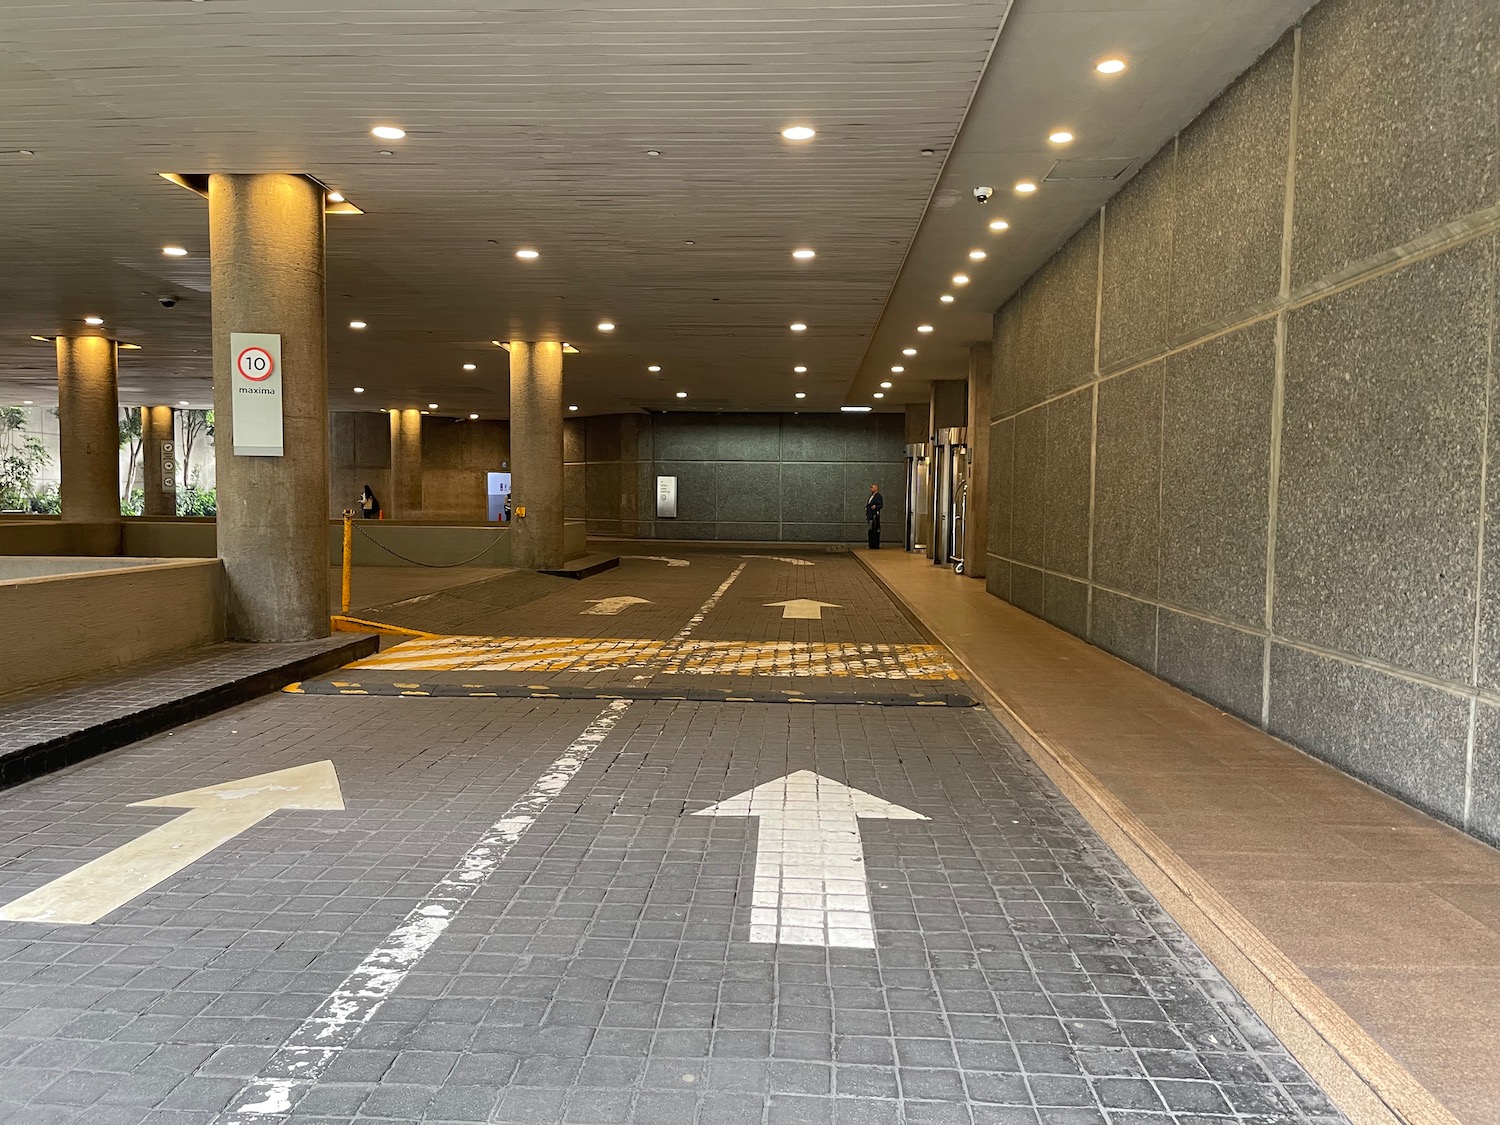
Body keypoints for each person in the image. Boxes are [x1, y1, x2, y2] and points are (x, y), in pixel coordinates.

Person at [865, 482, 883, 549]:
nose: (871, 489)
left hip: (875, 515)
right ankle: (871, 544)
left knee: (875, 529)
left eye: (872, 487)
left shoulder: (878, 496)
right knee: (871, 530)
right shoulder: (871, 496)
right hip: (870, 515)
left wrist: (876, 506)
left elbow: (881, 505)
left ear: (876, 488)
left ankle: (875, 544)